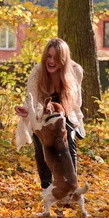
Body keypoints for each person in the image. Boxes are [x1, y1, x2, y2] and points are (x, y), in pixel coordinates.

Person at [15, 38, 85, 189]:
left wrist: (65, 121)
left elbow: (75, 102)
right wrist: (27, 111)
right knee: (42, 144)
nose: (51, 61)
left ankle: (70, 186)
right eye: (48, 56)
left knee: (69, 143)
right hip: (42, 113)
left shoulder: (76, 71)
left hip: (66, 112)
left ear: (64, 59)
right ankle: (47, 187)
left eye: (56, 57)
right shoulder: (37, 73)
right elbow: (32, 102)